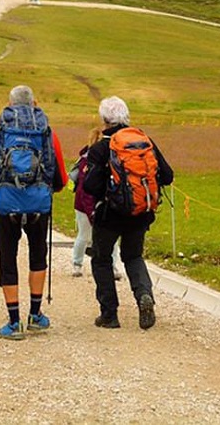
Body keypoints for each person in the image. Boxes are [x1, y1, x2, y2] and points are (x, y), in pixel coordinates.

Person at [0, 86, 67, 340]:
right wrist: (47, 189)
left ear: (10, 103)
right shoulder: (46, 130)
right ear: (34, 103)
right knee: (38, 256)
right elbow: (59, 175)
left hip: (6, 204)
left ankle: (14, 322)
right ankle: (35, 315)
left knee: (8, 259)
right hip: (38, 203)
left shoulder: (0, 130)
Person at [82, 96, 174, 330]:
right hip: (140, 212)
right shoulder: (144, 142)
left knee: (101, 259)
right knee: (133, 256)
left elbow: (90, 186)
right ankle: (144, 295)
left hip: (109, 215)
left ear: (104, 120)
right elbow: (168, 175)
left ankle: (109, 315)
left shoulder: (101, 148)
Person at [69, 128, 122, 279]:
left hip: (93, 204)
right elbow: (85, 190)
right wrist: (91, 212)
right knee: (90, 235)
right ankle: (80, 263)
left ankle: (81, 265)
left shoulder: (88, 159)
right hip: (85, 205)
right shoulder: (91, 161)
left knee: (88, 236)